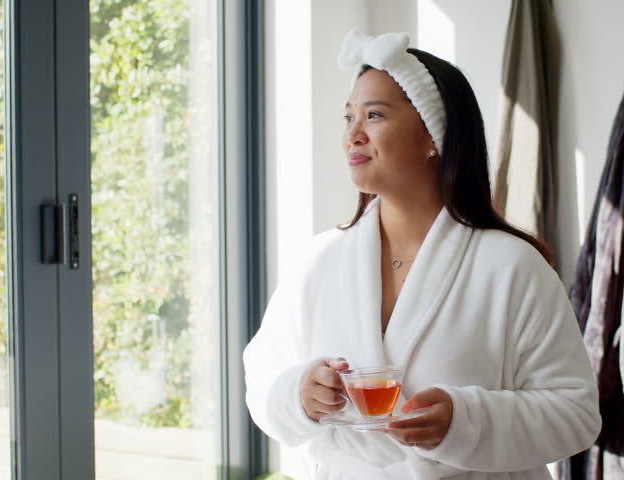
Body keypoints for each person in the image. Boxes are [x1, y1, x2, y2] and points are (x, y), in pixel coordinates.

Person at [244, 29, 601, 480]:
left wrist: (465, 420)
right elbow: (261, 381)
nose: (352, 135)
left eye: (374, 115)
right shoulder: (318, 262)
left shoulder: (511, 267)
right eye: (348, 117)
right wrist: (300, 394)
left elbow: (576, 414)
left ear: (433, 136)